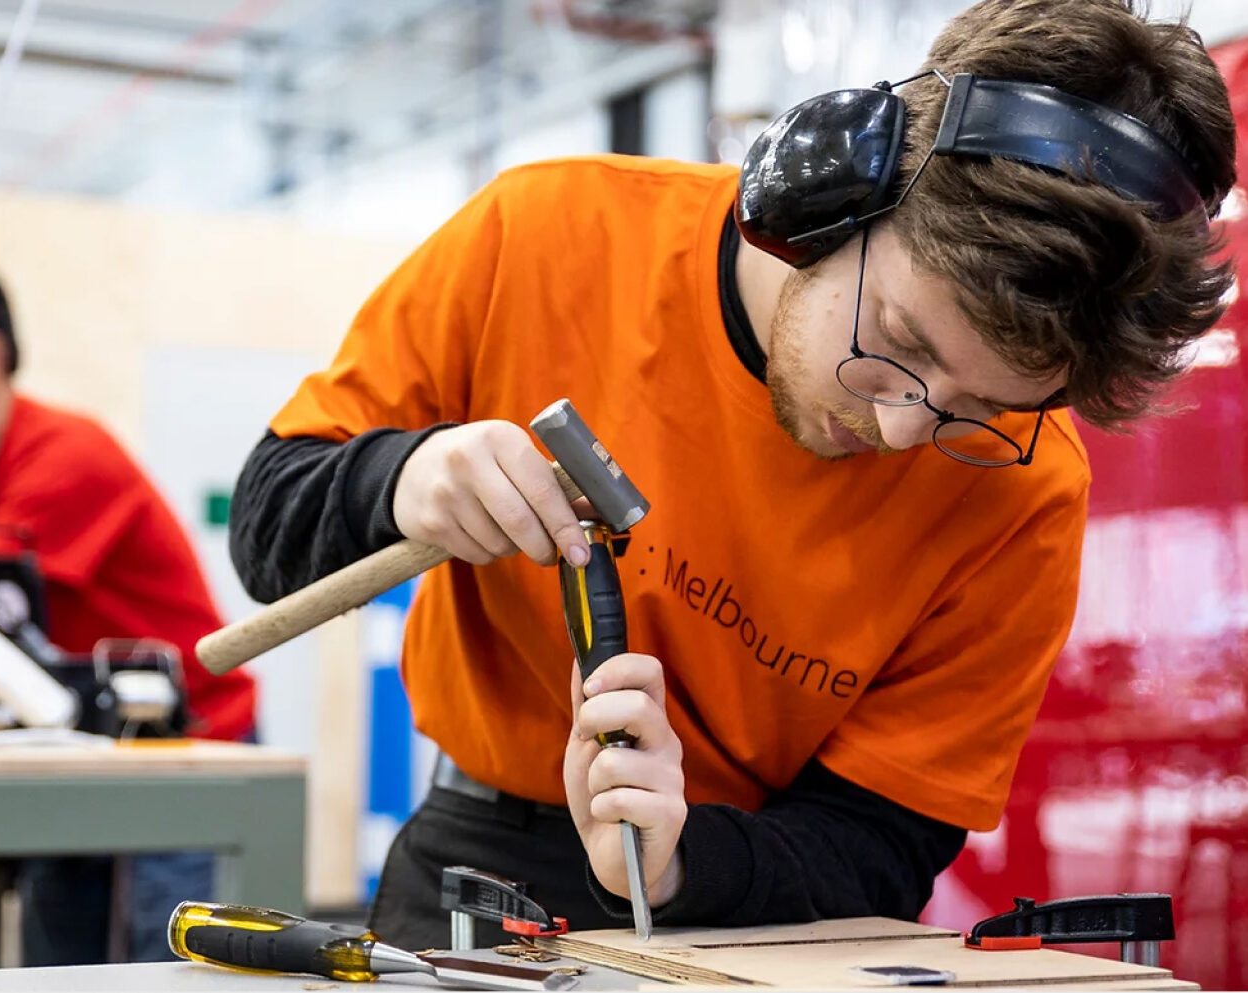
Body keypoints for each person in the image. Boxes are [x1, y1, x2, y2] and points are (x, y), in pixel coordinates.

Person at [229, 0, 1237, 950]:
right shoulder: (547, 235)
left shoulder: (1027, 495)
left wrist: (676, 864)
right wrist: (402, 479)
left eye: (975, 410)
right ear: (836, 192)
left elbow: (884, 844)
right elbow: (269, 535)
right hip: (481, 872)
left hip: (765, 917)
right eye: (894, 338)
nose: (895, 428)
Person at [0, 261, 257, 965]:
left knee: (168, 961)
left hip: (188, 750)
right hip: (88, 756)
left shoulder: (67, 457)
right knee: (60, 953)